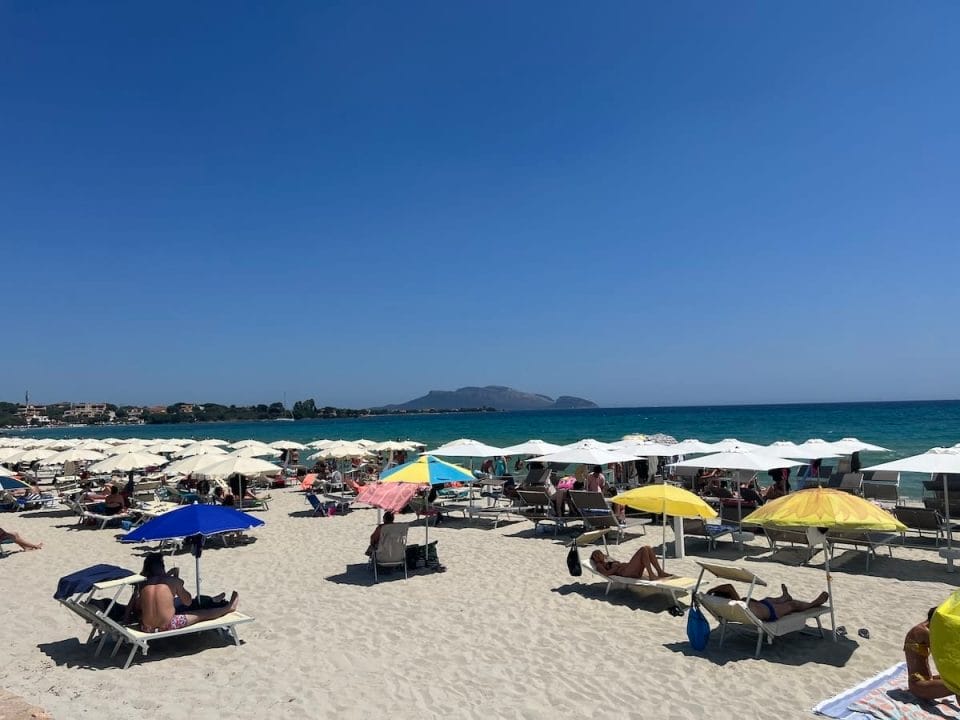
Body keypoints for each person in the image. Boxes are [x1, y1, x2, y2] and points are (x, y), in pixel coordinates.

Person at [133, 553, 238, 633]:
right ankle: (228, 608)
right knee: (202, 614)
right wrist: (178, 583)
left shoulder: (142, 584)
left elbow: (138, 606)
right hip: (168, 625)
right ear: (162, 566)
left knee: (172, 605)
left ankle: (214, 601)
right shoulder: (172, 581)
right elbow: (187, 602)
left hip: (146, 627)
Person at [905, 607, 955, 700]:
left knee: (956, 678)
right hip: (919, 684)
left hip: (926, 679)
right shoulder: (924, 632)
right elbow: (943, 656)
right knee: (957, 684)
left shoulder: (922, 629)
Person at [707, 583, 828, 621]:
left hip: (762, 605)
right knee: (793, 605)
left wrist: (708, 594)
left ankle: (784, 597)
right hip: (771, 612)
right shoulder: (737, 604)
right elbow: (729, 587)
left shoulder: (729, 607)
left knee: (769, 600)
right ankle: (814, 603)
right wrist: (711, 590)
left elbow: (728, 589)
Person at [590, 546, 669, 581]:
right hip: (626, 572)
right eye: (595, 555)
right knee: (643, 549)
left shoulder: (607, 560)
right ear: (594, 559)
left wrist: (615, 563)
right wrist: (616, 567)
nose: (597, 555)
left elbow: (614, 562)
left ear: (602, 554)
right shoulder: (599, 565)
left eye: (598, 553)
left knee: (648, 548)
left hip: (631, 570)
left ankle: (660, 572)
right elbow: (606, 574)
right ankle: (651, 575)